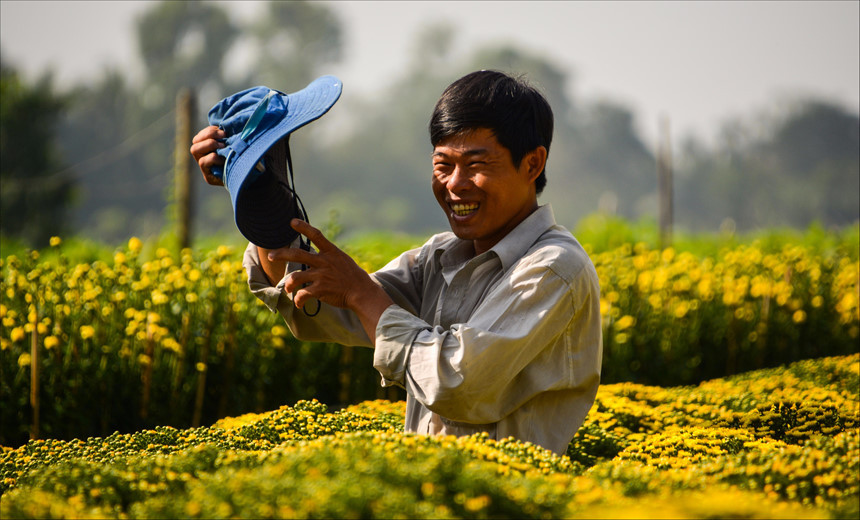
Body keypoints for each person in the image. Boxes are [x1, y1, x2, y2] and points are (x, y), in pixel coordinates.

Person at [190, 70, 602, 455]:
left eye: (476, 165)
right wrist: (259, 192)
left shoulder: (553, 268)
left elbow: (456, 383)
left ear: (532, 164)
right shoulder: (439, 257)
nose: (454, 184)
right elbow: (323, 313)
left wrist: (360, 292)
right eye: (443, 165)